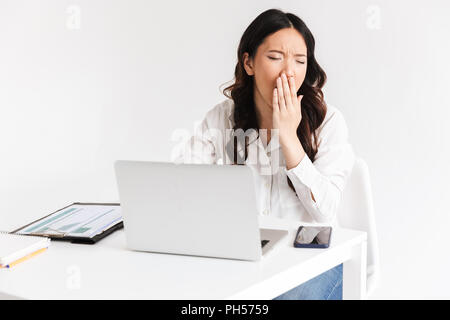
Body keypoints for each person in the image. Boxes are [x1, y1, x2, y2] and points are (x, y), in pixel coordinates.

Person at [171, 8, 355, 300]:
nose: (288, 72)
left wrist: (288, 138)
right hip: (247, 258)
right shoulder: (223, 118)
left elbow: (326, 212)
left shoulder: (329, 122)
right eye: (274, 57)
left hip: (313, 260)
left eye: (299, 60)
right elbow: (180, 184)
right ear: (249, 63)